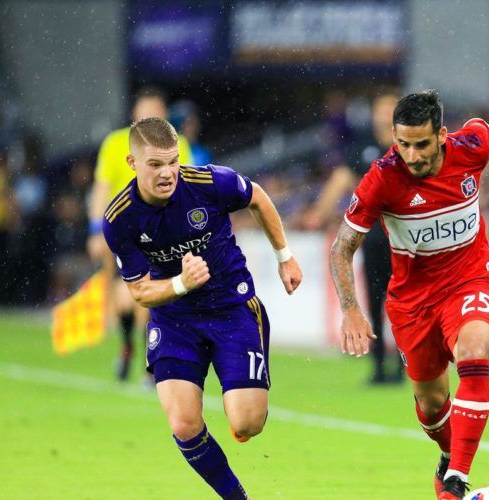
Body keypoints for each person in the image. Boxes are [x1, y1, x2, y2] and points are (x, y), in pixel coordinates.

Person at [329, 90, 489, 499]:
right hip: (414, 302)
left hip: (469, 279)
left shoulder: (469, 147)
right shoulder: (382, 177)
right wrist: (351, 310)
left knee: (474, 350)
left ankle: (457, 480)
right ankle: (450, 456)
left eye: (421, 144)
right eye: (403, 144)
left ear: (443, 135)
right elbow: (341, 248)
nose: (411, 155)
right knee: (431, 408)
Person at [102, 117, 302, 499]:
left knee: (246, 425)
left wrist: (285, 257)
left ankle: (246, 379)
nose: (167, 173)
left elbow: (257, 196)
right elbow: (141, 292)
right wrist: (181, 284)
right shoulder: (120, 219)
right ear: (132, 163)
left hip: (231, 306)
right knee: (183, 422)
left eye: (173, 161)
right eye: (155, 165)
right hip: (174, 319)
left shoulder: (210, 183)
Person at [87, 86, 193, 381]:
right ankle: (127, 347)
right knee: (125, 298)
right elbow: (102, 188)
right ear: (134, 115)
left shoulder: (178, 144)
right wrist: (95, 230)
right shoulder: (115, 143)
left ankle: (152, 362)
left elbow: (190, 187)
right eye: (143, 113)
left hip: (162, 231)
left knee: (156, 296)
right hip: (123, 231)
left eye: (154, 114)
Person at [305, 93, 403, 384]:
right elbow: (342, 178)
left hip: (404, 238)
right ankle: (377, 366)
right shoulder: (363, 145)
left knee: (402, 302)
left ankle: (402, 365)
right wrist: (319, 211)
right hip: (373, 238)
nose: (384, 115)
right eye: (380, 109)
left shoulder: (407, 145)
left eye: (389, 109)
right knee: (374, 300)